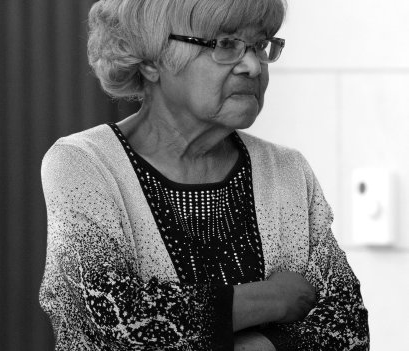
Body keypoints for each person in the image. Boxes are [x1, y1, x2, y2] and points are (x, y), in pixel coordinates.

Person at [39, 0, 370, 350]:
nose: (253, 66)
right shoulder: (86, 164)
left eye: (259, 45)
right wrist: (271, 300)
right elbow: (117, 323)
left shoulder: (286, 171)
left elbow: (346, 332)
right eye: (225, 45)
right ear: (151, 61)